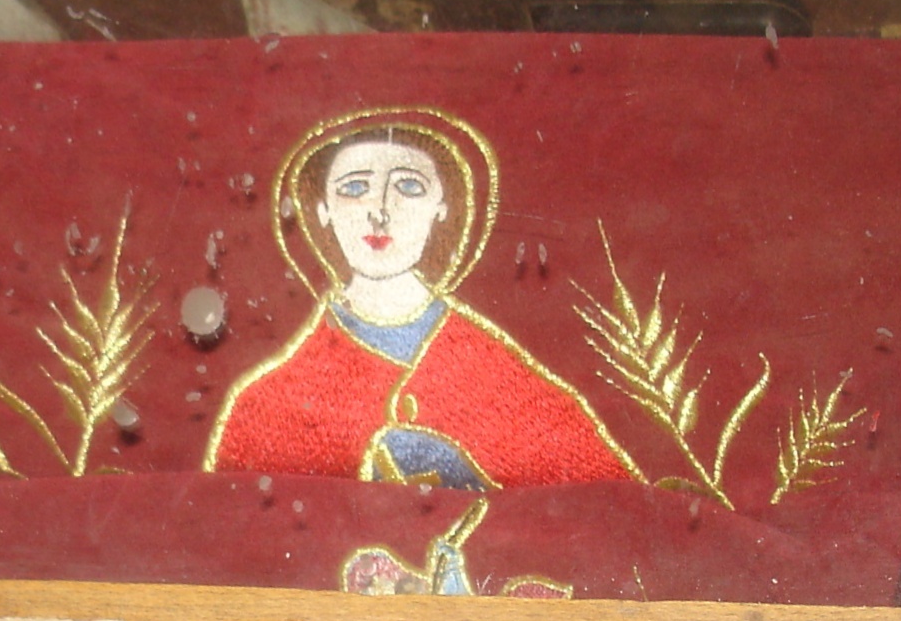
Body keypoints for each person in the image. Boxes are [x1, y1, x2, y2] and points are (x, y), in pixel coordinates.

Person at [203, 108, 637, 489]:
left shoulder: (502, 379)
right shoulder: (265, 406)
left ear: (442, 207)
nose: (380, 210)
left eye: (409, 186)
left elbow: (611, 512)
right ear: (322, 211)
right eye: (354, 188)